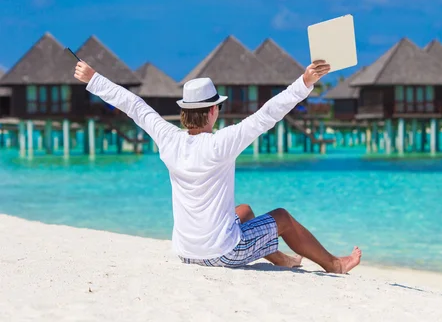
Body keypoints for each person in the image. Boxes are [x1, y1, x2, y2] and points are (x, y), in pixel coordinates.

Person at [74, 59, 361, 274]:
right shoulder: (222, 142)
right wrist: (305, 82)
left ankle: (284, 260)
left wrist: (92, 78)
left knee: (244, 211)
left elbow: (134, 105)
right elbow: (267, 114)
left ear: (185, 113)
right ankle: (335, 264)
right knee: (282, 217)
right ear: (213, 111)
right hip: (223, 253)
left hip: (186, 253)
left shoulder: (168, 138)